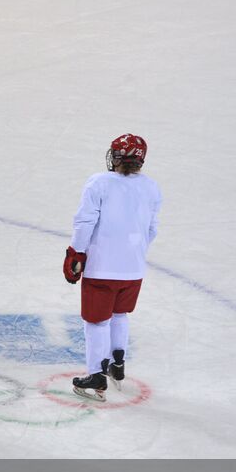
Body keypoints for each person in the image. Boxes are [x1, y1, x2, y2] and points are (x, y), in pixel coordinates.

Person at [65, 133, 162, 401]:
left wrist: (76, 253)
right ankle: (117, 365)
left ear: (116, 157)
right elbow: (152, 229)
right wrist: (134, 253)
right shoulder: (152, 187)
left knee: (96, 322)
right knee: (120, 315)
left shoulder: (99, 182)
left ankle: (96, 374)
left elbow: (85, 222)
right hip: (134, 269)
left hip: (101, 268)